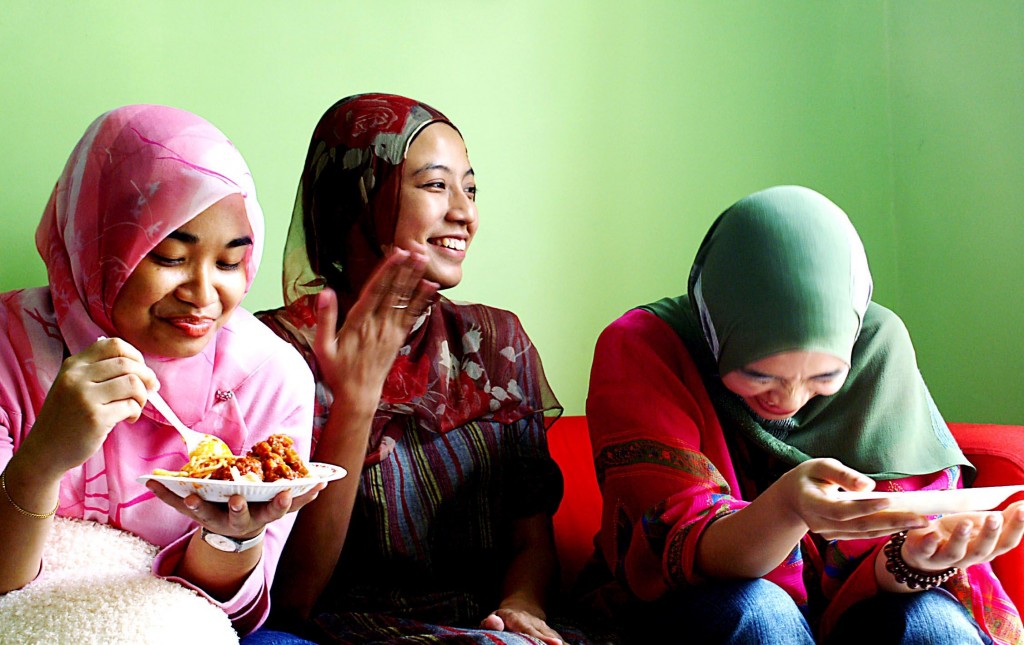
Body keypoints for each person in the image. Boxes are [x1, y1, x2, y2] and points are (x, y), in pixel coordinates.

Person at [583, 185, 1024, 644]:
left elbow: (894, 538)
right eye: (759, 375)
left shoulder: (877, 346)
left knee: (932, 622)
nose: (789, 399)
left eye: (825, 377)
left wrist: (912, 559)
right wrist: (786, 508)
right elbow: (669, 548)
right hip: (697, 601)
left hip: (856, 601)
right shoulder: (645, 346)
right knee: (759, 611)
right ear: (714, 329)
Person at [254, 93, 577, 644]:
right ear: (357, 196)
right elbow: (292, 597)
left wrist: (522, 607)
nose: (465, 212)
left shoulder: (495, 343)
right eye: (435, 185)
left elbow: (531, 540)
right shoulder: (269, 354)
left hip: (487, 629)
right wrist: (354, 405)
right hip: (338, 629)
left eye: (470, 188)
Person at [0, 105, 320, 637]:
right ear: (98, 241)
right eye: (170, 257)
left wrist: (232, 537)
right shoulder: (10, 346)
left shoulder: (268, 378)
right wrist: (44, 458)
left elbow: (232, 615)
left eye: (229, 263)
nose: (203, 295)